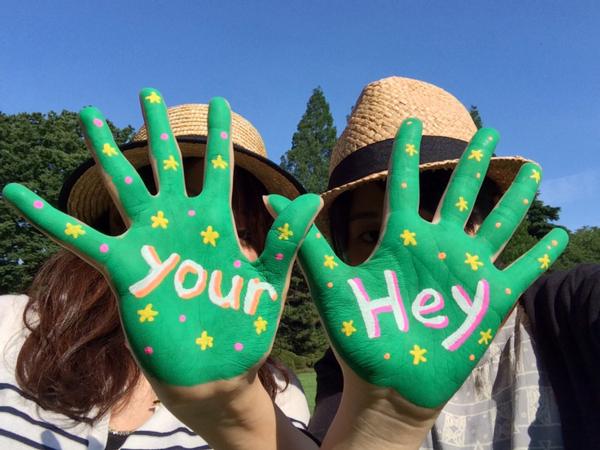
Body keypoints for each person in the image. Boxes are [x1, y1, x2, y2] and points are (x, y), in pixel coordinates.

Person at [0, 99, 318, 449]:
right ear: (113, 225)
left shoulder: (279, 394)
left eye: (240, 235)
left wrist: (232, 409)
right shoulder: (11, 325)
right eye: (169, 228)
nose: (197, 255)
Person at [306, 77, 600, 449]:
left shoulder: (568, 308)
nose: (411, 257)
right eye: (369, 235)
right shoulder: (351, 365)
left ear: (488, 220)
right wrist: (381, 423)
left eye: (443, 221)